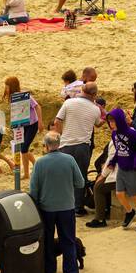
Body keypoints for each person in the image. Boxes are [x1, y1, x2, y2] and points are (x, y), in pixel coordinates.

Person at [28, 132, 85, 273]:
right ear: (59, 144)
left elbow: (33, 190)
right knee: (68, 242)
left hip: (47, 209)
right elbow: (80, 183)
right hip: (67, 208)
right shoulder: (69, 160)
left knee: (47, 243)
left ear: (46, 146)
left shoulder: (40, 163)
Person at [53, 83, 104, 213]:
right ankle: (78, 207)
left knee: (64, 176)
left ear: (82, 90)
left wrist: (60, 136)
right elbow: (98, 124)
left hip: (65, 145)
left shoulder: (69, 103)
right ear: (94, 95)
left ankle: (63, 204)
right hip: (82, 146)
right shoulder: (95, 109)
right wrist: (102, 112)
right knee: (80, 176)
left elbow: (57, 121)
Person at [105, 106, 136, 228]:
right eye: (109, 121)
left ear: (120, 120)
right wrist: (113, 161)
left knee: (135, 194)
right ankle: (130, 212)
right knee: (119, 193)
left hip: (134, 168)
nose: (111, 124)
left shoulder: (131, 132)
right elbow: (118, 150)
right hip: (122, 167)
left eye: (113, 121)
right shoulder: (114, 134)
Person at [2, 76, 41, 180]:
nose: (5, 88)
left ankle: (36, 166)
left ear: (12, 86)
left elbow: (37, 106)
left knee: (24, 149)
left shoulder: (24, 96)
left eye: (7, 86)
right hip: (22, 126)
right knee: (23, 149)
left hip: (32, 124)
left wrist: (41, 123)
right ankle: (27, 173)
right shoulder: (12, 97)